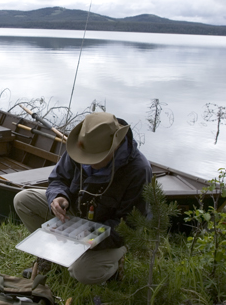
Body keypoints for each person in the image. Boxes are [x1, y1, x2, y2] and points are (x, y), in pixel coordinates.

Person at [14, 112, 152, 285]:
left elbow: (130, 226)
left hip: (109, 231)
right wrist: (58, 197)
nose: (86, 161)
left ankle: (113, 268)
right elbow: (58, 179)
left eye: (94, 157)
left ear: (114, 148)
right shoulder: (82, 147)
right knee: (23, 200)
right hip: (78, 214)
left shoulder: (138, 170)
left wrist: (91, 237)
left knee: (82, 272)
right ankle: (54, 257)